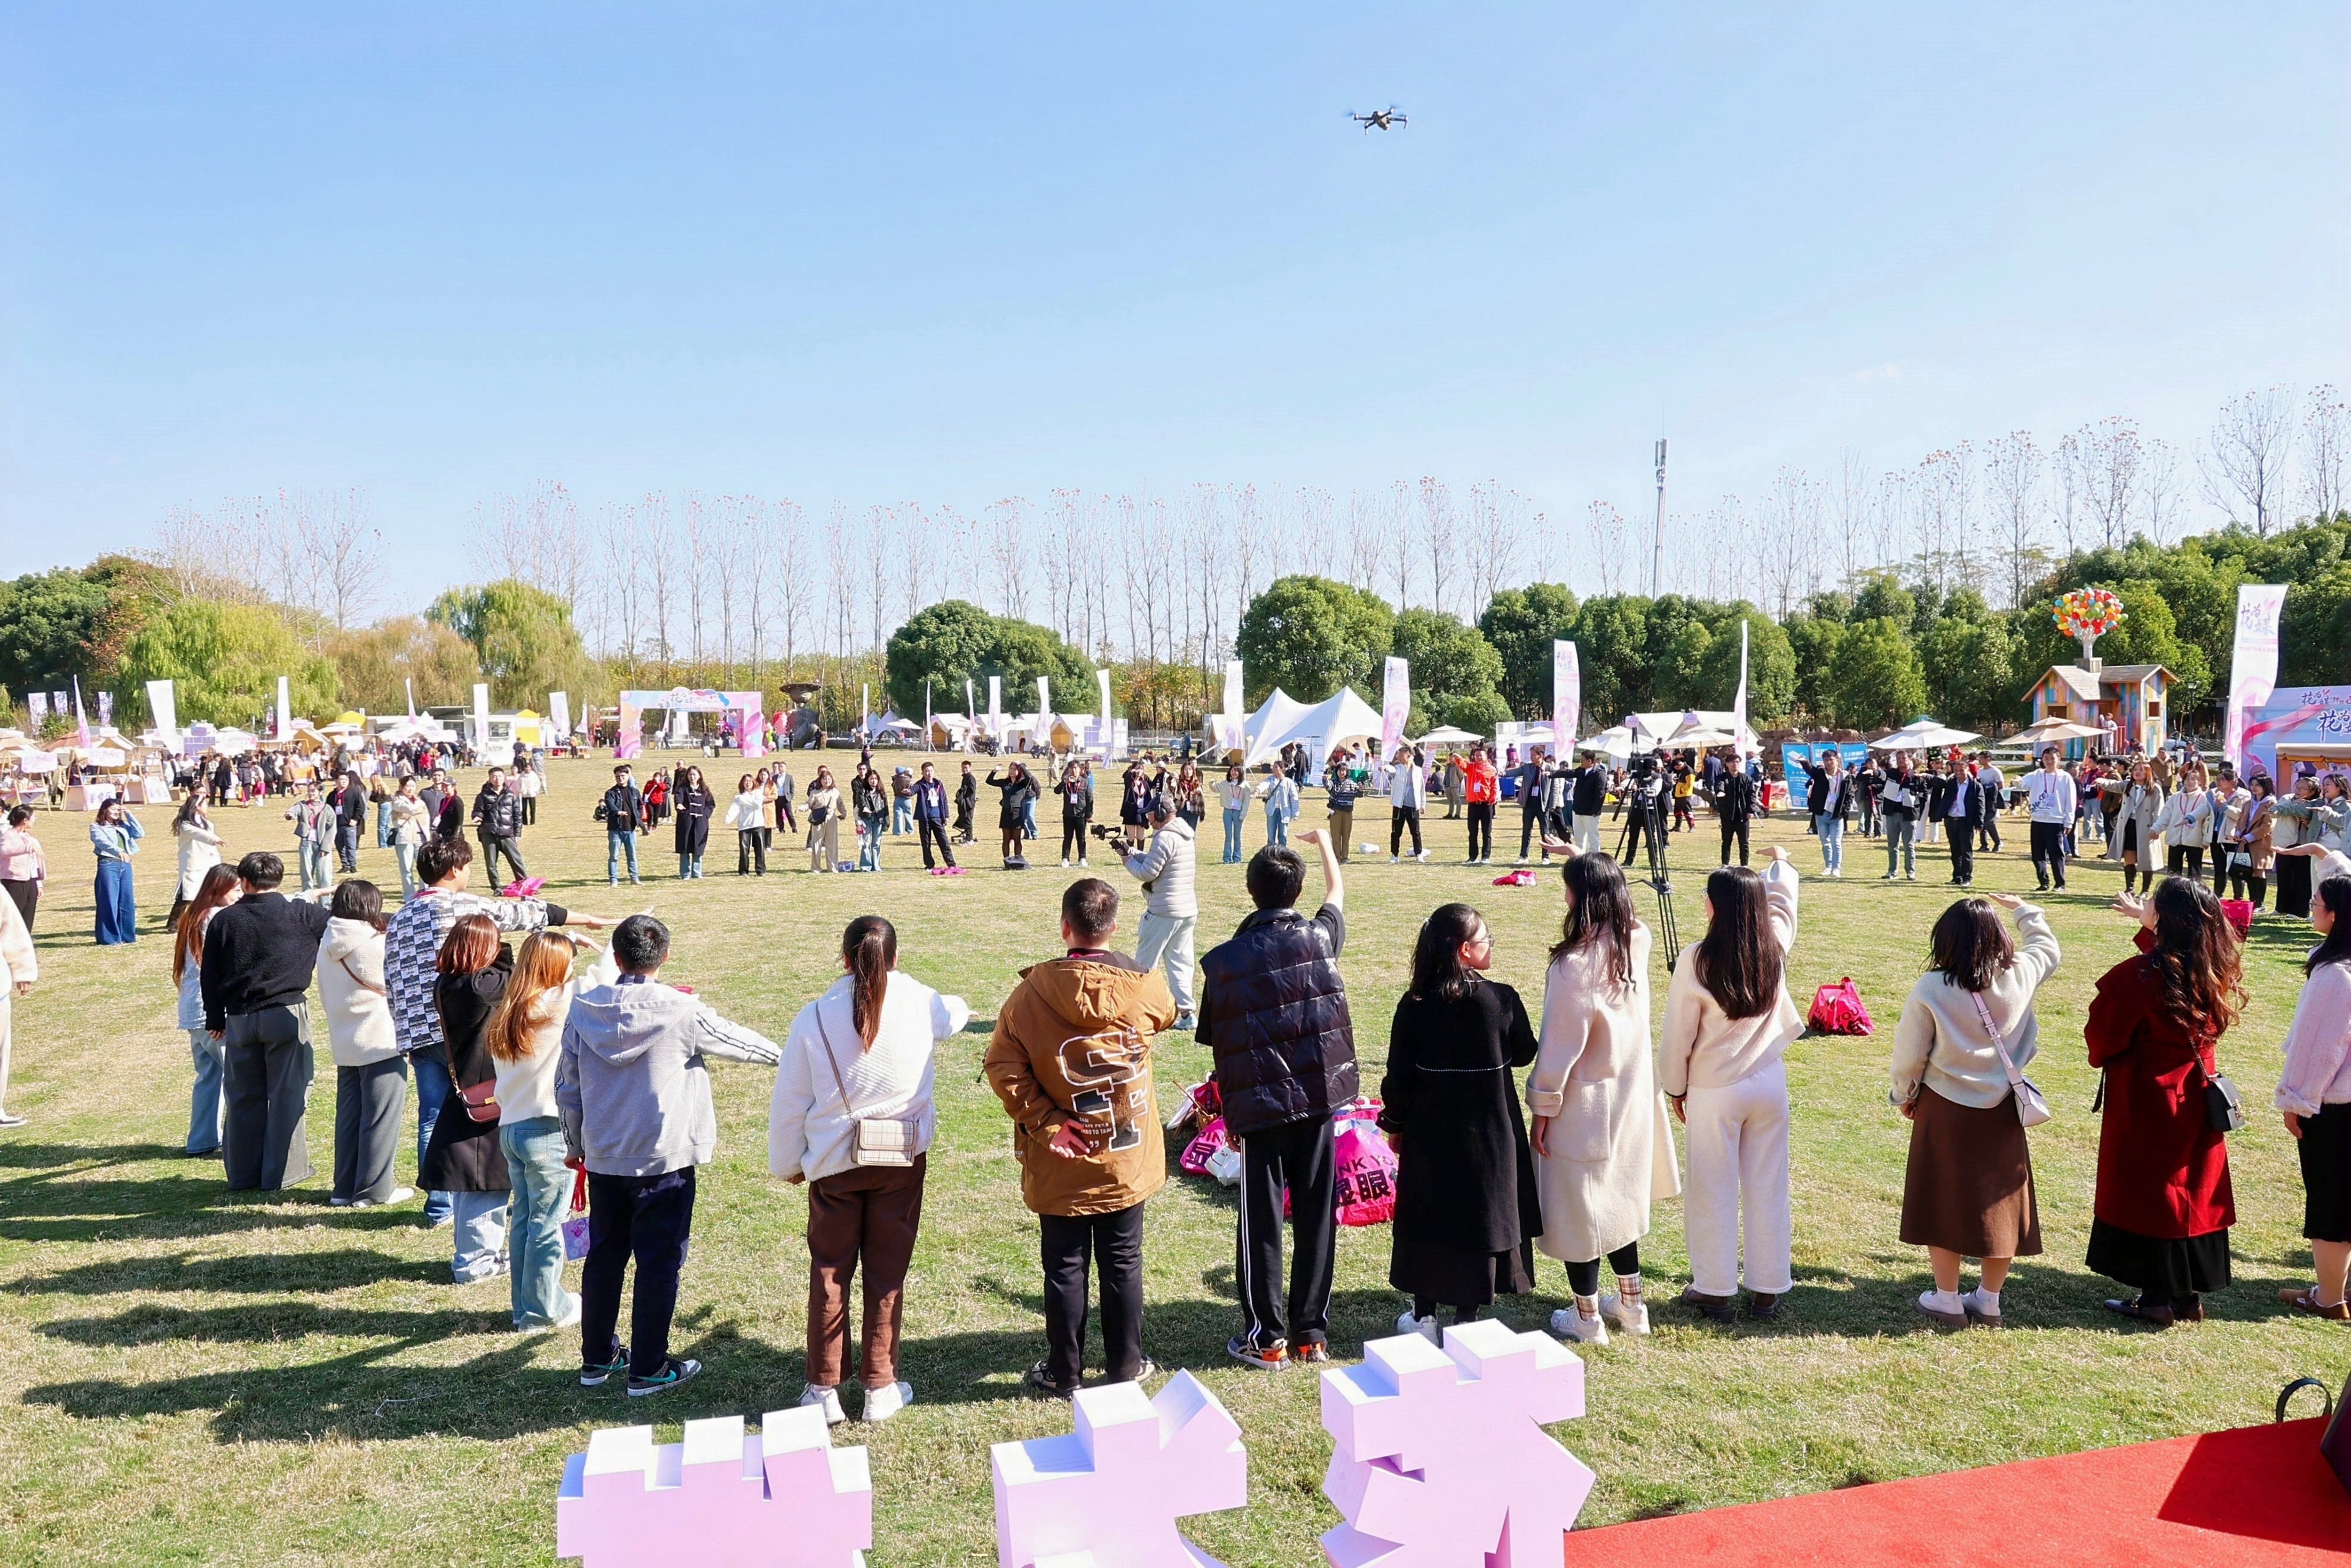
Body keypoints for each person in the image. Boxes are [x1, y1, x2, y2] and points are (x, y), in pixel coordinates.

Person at [560, 913, 781, 1395]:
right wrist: (787, 1056)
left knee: (605, 1257)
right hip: (664, 1158)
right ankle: (649, 1367)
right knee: (659, 1262)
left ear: (615, 957)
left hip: (604, 1156)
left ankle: (597, 1358)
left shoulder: (582, 1009)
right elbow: (737, 1041)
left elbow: (567, 1088)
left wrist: (575, 1145)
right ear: (665, 956)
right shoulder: (681, 1009)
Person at [771, 916, 970, 1423]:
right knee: (887, 1271)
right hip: (900, 1158)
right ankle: (879, 1384)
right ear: (896, 958)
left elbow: (791, 1102)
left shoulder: (814, 1016)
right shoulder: (921, 1002)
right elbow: (955, 1012)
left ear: (843, 958)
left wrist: (788, 1162)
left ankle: (822, 1389)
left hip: (834, 1162)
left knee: (830, 1271)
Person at [983, 879, 1176, 1397]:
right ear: (1113, 928)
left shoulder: (1028, 997)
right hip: (1123, 1152)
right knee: (1122, 1261)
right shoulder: (1146, 984)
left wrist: (1047, 1121)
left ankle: (1064, 1370)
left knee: (1064, 1266)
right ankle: (1124, 1365)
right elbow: (1166, 1014)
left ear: (1064, 925)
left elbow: (1002, 1064)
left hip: (1062, 1157)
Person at [385, 835, 613, 1230]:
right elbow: (526, 913)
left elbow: (390, 975)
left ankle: (440, 1206)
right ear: (455, 868)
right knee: (484, 1112)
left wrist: (405, 1028)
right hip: (470, 1031)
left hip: (420, 1028)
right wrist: (581, 920)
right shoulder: (465, 906)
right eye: (469, 866)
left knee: (433, 1116)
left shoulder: (401, 916)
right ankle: (484, 1195)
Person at [1198, 829, 1355, 1368]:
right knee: (1316, 1215)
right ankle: (1310, 1332)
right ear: (1297, 890)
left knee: (1260, 1222)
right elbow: (1336, 893)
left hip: (1260, 1109)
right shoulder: (1319, 937)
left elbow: (1217, 1042)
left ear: (1249, 889)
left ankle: (1268, 1337)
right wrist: (1325, 847)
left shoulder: (1223, 961)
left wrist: (1230, 1110)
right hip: (1316, 1100)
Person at [1888, 893, 2060, 1328]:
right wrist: (2025, 910)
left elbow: (1909, 1056)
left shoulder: (1932, 986)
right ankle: (1989, 1299)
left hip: (1944, 1107)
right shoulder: (2019, 975)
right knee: (2000, 1202)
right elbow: (2047, 948)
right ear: (2000, 937)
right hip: (2004, 1107)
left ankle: (1946, 1297)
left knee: (1941, 1199)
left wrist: (1904, 1094)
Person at [1526, 846, 1673, 1343]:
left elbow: (1556, 1048)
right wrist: (1588, 863)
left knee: (1577, 1208)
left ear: (1579, 897)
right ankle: (1631, 1304)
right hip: (1630, 1096)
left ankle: (1586, 1315)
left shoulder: (1575, 965)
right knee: (1619, 1197)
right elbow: (1625, 911)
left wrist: (1542, 1106)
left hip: (1584, 1100)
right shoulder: (1635, 939)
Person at [2086, 876, 2242, 1326]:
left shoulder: (2137, 979)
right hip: (2198, 1091)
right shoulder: (2214, 966)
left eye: (2153, 900)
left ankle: (2156, 1296)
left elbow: (2101, 1039)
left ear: (2169, 920)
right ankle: (2187, 1295)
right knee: (2192, 1191)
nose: (2146, 902)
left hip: (2149, 1098)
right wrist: (2146, 920)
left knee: (2153, 1194)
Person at [1381, 903, 1541, 1338]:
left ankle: (1424, 1316)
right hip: (1490, 1133)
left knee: (1429, 1216)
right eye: (1486, 938)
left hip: (1429, 1132)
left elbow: (1398, 1076)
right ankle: (1466, 1321)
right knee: (1480, 1217)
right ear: (1465, 950)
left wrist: (1393, 1124)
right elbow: (1526, 1052)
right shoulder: (1500, 999)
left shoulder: (1414, 1003)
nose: (1491, 945)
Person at [1659, 845, 1802, 1322]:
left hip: (1714, 1085)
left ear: (1715, 906)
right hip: (1767, 1080)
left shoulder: (1696, 958)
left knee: (1711, 1185)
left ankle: (1714, 1287)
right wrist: (1780, 864)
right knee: (1768, 1184)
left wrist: (1674, 1087)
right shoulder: (1774, 946)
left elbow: (1677, 1032)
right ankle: (1766, 1288)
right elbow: (1783, 906)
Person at [488, 928, 612, 1331]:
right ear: (557, 969)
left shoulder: (508, 1011)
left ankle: (524, 1306)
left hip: (512, 1130)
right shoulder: (559, 1003)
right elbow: (603, 977)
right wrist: (611, 942)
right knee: (548, 1221)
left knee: (525, 1219)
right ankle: (545, 1309)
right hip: (547, 1131)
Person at [201, 851, 333, 1190]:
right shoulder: (302, 913)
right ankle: (285, 1172)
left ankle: (243, 1174)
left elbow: (210, 973)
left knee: (243, 1098)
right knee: (288, 1095)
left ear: (244, 881)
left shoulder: (224, 920)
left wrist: (215, 1017)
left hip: (241, 1018)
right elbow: (341, 927)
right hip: (286, 1014)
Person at [421, 914, 518, 1282]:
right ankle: (475, 1262)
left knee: (470, 1183)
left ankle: (473, 1256)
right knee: (485, 1183)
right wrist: (502, 950)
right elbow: (509, 978)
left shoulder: (451, 981)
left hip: (469, 1087)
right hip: (485, 1091)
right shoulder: (478, 987)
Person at [319, 879, 413, 1208]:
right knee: (380, 1118)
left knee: (350, 1117)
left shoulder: (330, 938)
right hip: (379, 1040)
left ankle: (344, 1188)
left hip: (346, 1040)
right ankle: (374, 1190)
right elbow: (398, 979)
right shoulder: (373, 944)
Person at [172, 864, 241, 1154]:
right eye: (236, 889)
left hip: (192, 1010)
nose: (240, 895)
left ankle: (202, 1140)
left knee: (209, 1076)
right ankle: (239, 1142)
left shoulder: (193, 916)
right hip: (210, 1011)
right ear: (219, 889)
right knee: (237, 1077)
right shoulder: (215, 918)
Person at [1123, 793, 1199, 1031]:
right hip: (1186, 911)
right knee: (1180, 963)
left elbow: (1148, 873)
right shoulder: (1184, 834)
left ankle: (1134, 1014)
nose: (1148, 818)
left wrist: (1127, 860)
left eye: (1151, 814)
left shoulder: (1165, 837)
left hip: (1164, 911)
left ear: (1161, 814)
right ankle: (1187, 1014)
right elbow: (1161, 862)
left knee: (1145, 964)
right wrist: (1133, 852)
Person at [90, 797, 144, 944]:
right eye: (113, 809)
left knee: (126, 901)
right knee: (109, 901)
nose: (116, 812)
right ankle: (109, 938)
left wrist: (129, 814)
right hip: (108, 865)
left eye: (118, 810)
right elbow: (102, 842)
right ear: (105, 810)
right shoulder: (96, 827)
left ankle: (127, 936)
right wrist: (119, 851)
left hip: (125, 865)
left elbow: (139, 833)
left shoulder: (122, 826)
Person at [2022, 748, 2076, 891]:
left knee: (2056, 854)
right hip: (2038, 819)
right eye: (2046, 758)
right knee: (2038, 854)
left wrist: (2069, 821)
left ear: (2059, 759)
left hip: (2055, 821)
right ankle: (2043, 882)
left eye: (2052, 758)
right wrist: (2017, 781)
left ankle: (2060, 884)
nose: (2049, 761)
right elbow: (2023, 783)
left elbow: (2071, 801)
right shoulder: (2037, 775)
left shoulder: (2065, 777)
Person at [2108, 760, 2165, 897]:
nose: (2137, 772)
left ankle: (2145, 890)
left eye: (2141, 770)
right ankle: (2130, 888)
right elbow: (2114, 785)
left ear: (2148, 772)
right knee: (2129, 857)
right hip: (2129, 825)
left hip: (2146, 827)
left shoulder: (2154, 788)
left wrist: (2157, 828)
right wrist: (2100, 781)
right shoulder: (2129, 786)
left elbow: (2159, 810)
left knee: (2147, 859)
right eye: (2135, 770)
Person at [170, 793, 224, 932]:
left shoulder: (207, 824)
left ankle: (203, 919)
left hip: (208, 862)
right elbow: (198, 834)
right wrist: (215, 839)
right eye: (204, 804)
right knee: (187, 895)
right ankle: (173, 923)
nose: (206, 806)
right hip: (193, 863)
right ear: (197, 807)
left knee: (208, 892)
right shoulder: (185, 825)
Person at [2154, 764, 2215, 880]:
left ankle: (2194, 895)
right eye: (2186, 779)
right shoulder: (2176, 797)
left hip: (2195, 841)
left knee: (2194, 872)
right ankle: (2172, 893)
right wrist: (2156, 829)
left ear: (2200, 782)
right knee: (2173, 871)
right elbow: (2165, 816)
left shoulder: (2204, 798)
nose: (2189, 782)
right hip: (2175, 840)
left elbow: (2208, 821)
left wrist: (2206, 840)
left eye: (2193, 779)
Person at [2224, 775, 2275, 909]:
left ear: (2266, 786)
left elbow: (2268, 825)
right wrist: (2238, 833)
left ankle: (2260, 904)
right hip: (2245, 841)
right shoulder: (2248, 803)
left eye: (2258, 785)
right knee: (2248, 871)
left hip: (2261, 842)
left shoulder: (2271, 803)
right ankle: (2253, 902)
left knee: (2259, 871)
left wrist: (2251, 836)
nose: (2254, 788)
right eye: (2252, 784)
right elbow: (2241, 821)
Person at [1938, 759, 1989, 889]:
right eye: (1956, 771)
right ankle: (1957, 876)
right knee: (1955, 851)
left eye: (1962, 770)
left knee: (1966, 851)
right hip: (1951, 820)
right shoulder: (1951, 783)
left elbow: (1981, 805)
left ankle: (1967, 878)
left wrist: (1979, 822)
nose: (1959, 773)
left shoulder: (1975, 786)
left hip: (1965, 822)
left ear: (1967, 770)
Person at [1805, 751, 1854, 879]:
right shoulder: (1821, 774)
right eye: (1826, 760)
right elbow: (1810, 770)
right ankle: (1829, 866)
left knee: (1836, 842)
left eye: (1831, 760)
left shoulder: (1845, 776)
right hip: (1822, 813)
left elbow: (1850, 795)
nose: (1828, 762)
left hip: (1836, 814)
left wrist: (1844, 811)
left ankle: (1837, 868)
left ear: (1837, 760)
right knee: (1825, 842)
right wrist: (1803, 761)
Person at [597, 765, 645, 887]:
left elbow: (640, 806)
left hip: (631, 830)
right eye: (618, 777)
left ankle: (634, 878)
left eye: (623, 776)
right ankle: (614, 880)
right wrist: (617, 812)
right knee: (614, 856)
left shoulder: (634, 791)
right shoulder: (611, 793)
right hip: (616, 830)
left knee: (632, 856)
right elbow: (610, 804)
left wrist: (638, 817)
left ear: (628, 776)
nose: (620, 779)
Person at [0, 806, 45, 931]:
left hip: (30, 880)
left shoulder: (29, 838)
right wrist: (28, 848)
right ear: (25, 820)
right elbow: (5, 851)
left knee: (28, 915)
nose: (35, 820)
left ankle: (25, 944)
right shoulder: (8, 836)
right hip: (14, 881)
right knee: (14, 915)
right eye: (33, 817)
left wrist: (38, 883)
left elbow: (33, 864)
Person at [987, 761, 1037, 865]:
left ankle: (1018, 861)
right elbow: (989, 781)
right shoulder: (1005, 782)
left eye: (1014, 769)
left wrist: (1021, 766)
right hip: (1006, 813)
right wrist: (995, 771)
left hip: (1017, 813)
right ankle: (1007, 861)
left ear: (1019, 771)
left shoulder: (1023, 783)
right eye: (1011, 769)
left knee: (1017, 839)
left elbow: (1029, 776)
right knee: (1006, 840)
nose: (1012, 771)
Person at [908, 761, 956, 870]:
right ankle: (929, 865)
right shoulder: (920, 784)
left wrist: (946, 816)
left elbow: (944, 800)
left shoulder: (938, 784)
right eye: (926, 772)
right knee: (926, 843)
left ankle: (952, 864)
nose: (929, 774)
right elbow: (913, 790)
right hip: (925, 819)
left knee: (944, 842)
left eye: (931, 771)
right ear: (923, 773)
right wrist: (908, 791)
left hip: (937, 817)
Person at [1879, 756, 1920, 881]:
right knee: (1893, 845)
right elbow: (1881, 775)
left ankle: (1911, 872)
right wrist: (1874, 770)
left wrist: (1918, 808)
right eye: (1898, 758)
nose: (1901, 760)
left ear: (1910, 760)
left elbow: (1923, 792)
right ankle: (1892, 871)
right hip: (1893, 813)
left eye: (1904, 758)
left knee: (1909, 845)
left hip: (1908, 814)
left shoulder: (1915, 776)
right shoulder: (1892, 773)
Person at [671, 764, 714, 878]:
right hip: (686, 822)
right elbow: (678, 798)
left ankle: (697, 873)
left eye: (694, 774)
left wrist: (705, 815)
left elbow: (710, 804)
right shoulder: (682, 788)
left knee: (698, 848)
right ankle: (685, 873)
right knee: (684, 847)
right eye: (690, 774)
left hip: (701, 823)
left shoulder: (705, 790)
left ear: (699, 776)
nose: (692, 777)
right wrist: (679, 805)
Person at [1714, 754, 1757, 867]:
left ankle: (1745, 866)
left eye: (1737, 762)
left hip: (1743, 815)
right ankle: (1725, 865)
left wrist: (1751, 810)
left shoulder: (1747, 779)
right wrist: (1720, 792)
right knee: (1726, 842)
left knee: (1744, 843)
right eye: (1732, 762)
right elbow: (1719, 785)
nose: (1735, 764)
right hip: (1728, 815)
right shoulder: (1722, 778)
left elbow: (1751, 796)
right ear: (1727, 764)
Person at [1387, 748, 1428, 862]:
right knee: (1396, 832)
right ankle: (1395, 855)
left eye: (1402, 756)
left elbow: (1422, 789)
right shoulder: (1398, 769)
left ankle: (1419, 854)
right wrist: (1385, 768)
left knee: (1415, 832)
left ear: (1409, 756)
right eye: (1398, 756)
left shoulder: (1418, 771)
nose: (1400, 758)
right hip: (1399, 806)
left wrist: (1423, 804)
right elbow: (1391, 770)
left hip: (1413, 806)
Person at [1461, 746, 1498, 864]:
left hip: (1486, 805)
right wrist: (1457, 757)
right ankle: (1473, 856)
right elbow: (1462, 764)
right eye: (1476, 756)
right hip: (1473, 805)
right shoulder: (1471, 768)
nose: (1478, 758)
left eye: (1481, 755)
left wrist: (1493, 799)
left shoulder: (1491, 769)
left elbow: (1495, 786)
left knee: (1486, 832)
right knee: (1473, 832)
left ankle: (1486, 856)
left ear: (1486, 756)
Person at [726, 773, 768, 876]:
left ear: (753, 782)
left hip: (758, 824)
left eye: (750, 781)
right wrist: (728, 818)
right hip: (744, 826)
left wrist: (742, 800)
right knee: (744, 850)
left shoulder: (758, 793)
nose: (748, 783)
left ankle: (761, 871)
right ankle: (743, 871)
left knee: (760, 849)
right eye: (746, 781)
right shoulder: (739, 797)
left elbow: (757, 805)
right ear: (742, 784)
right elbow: (734, 809)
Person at [805, 765, 844, 872]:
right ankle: (816, 868)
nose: (827, 781)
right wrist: (802, 808)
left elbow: (840, 804)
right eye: (825, 779)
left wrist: (844, 813)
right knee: (817, 845)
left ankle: (833, 868)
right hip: (818, 820)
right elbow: (809, 804)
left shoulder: (835, 792)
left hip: (831, 819)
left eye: (829, 779)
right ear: (821, 780)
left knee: (832, 845)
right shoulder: (815, 792)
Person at [852, 764, 889, 874]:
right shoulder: (862, 791)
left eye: (876, 779)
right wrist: (865, 808)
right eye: (871, 779)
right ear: (867, 780)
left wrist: (886, 823)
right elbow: (861, 801)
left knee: (876, 844)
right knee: (866, 843)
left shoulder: (882, 793)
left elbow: (886, 809)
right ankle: (866, 866)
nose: (874, 781)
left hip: (879, 820)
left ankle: (876, 866)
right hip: (867, 819)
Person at [1255, 762, 1299, 850]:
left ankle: (1282, 854)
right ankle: (1270, 855)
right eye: (1273, 767)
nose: (1274, 769)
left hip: (1284, 812)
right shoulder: (1271, 780)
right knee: (1271, 836)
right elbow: (1263, 785)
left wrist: (1295, 813)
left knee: (1283, 836)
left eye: (1276, 767)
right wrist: (1257, 791)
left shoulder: (1289, 782)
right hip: (1272, 811)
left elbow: (1294, 798)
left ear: (1282, 769)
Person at [1328, 756, 1363, 865]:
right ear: (1337, 772)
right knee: (1336, 836)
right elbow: (1327, 786)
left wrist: (1361, 789)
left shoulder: (1352, 784)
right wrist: (1325, 779)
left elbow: (1359, 795)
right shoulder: (1333, 783)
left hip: (1348, 813)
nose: (1341, 772)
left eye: (1343, 770)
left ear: (1347, 772)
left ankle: (1345, 857)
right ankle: (1337, 857)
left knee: (1346, 836)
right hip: (1336, 812)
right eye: (1339, 770)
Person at [331, 770, 367, 875]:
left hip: (350, 825)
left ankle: (352, 865)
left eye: (345, 780)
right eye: (341, 780)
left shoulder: (354, 793)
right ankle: (345, 865)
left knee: (350, 845)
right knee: (340, 846)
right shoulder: (332, 795)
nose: (343, 782)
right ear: (336, 781)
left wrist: (355, 819)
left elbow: (361, 807)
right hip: (337, 825)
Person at [953, 760, 978, 843]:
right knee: (965, 820)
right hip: (964, 803)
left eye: (966, 768)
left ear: (970, 768)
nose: (965, 769)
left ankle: (969, 839)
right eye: (963, 768)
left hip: (968, 803)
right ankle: (967, 836)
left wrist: (964, 795)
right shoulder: (965, 777)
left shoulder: (971, 778)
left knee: (968, 821)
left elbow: (972, 790)